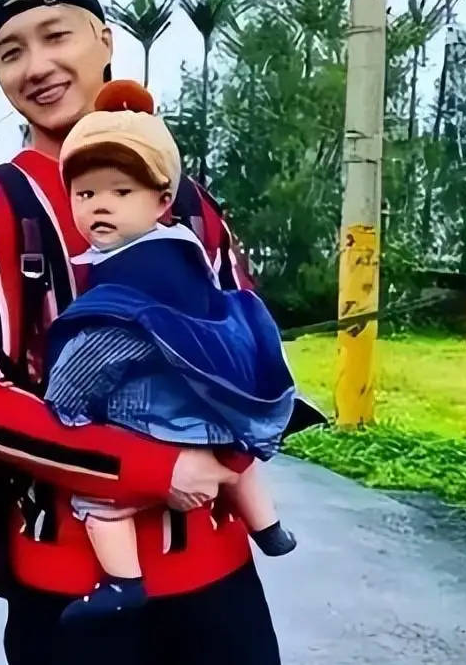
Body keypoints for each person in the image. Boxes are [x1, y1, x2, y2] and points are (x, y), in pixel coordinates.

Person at [0, 0, 296, 663]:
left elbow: (251, 355)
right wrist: (154, 467)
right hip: (70, 588)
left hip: (218, 574)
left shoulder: (184, 200)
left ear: (103, 40)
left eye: (56, 36)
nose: (37, 66)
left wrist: (224, 458)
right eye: (11, 52)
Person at [44, 80, 298, 623]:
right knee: (239, 464)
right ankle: (269, 528)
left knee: (97, 504)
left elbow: (97, 353)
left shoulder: (130, 278)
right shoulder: (186, 251)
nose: (100, 206)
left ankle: (123, 581)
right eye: (85, 195)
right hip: (216, 416)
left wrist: (63, 402)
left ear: (162, 201)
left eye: (121, 192)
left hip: (156, 427)